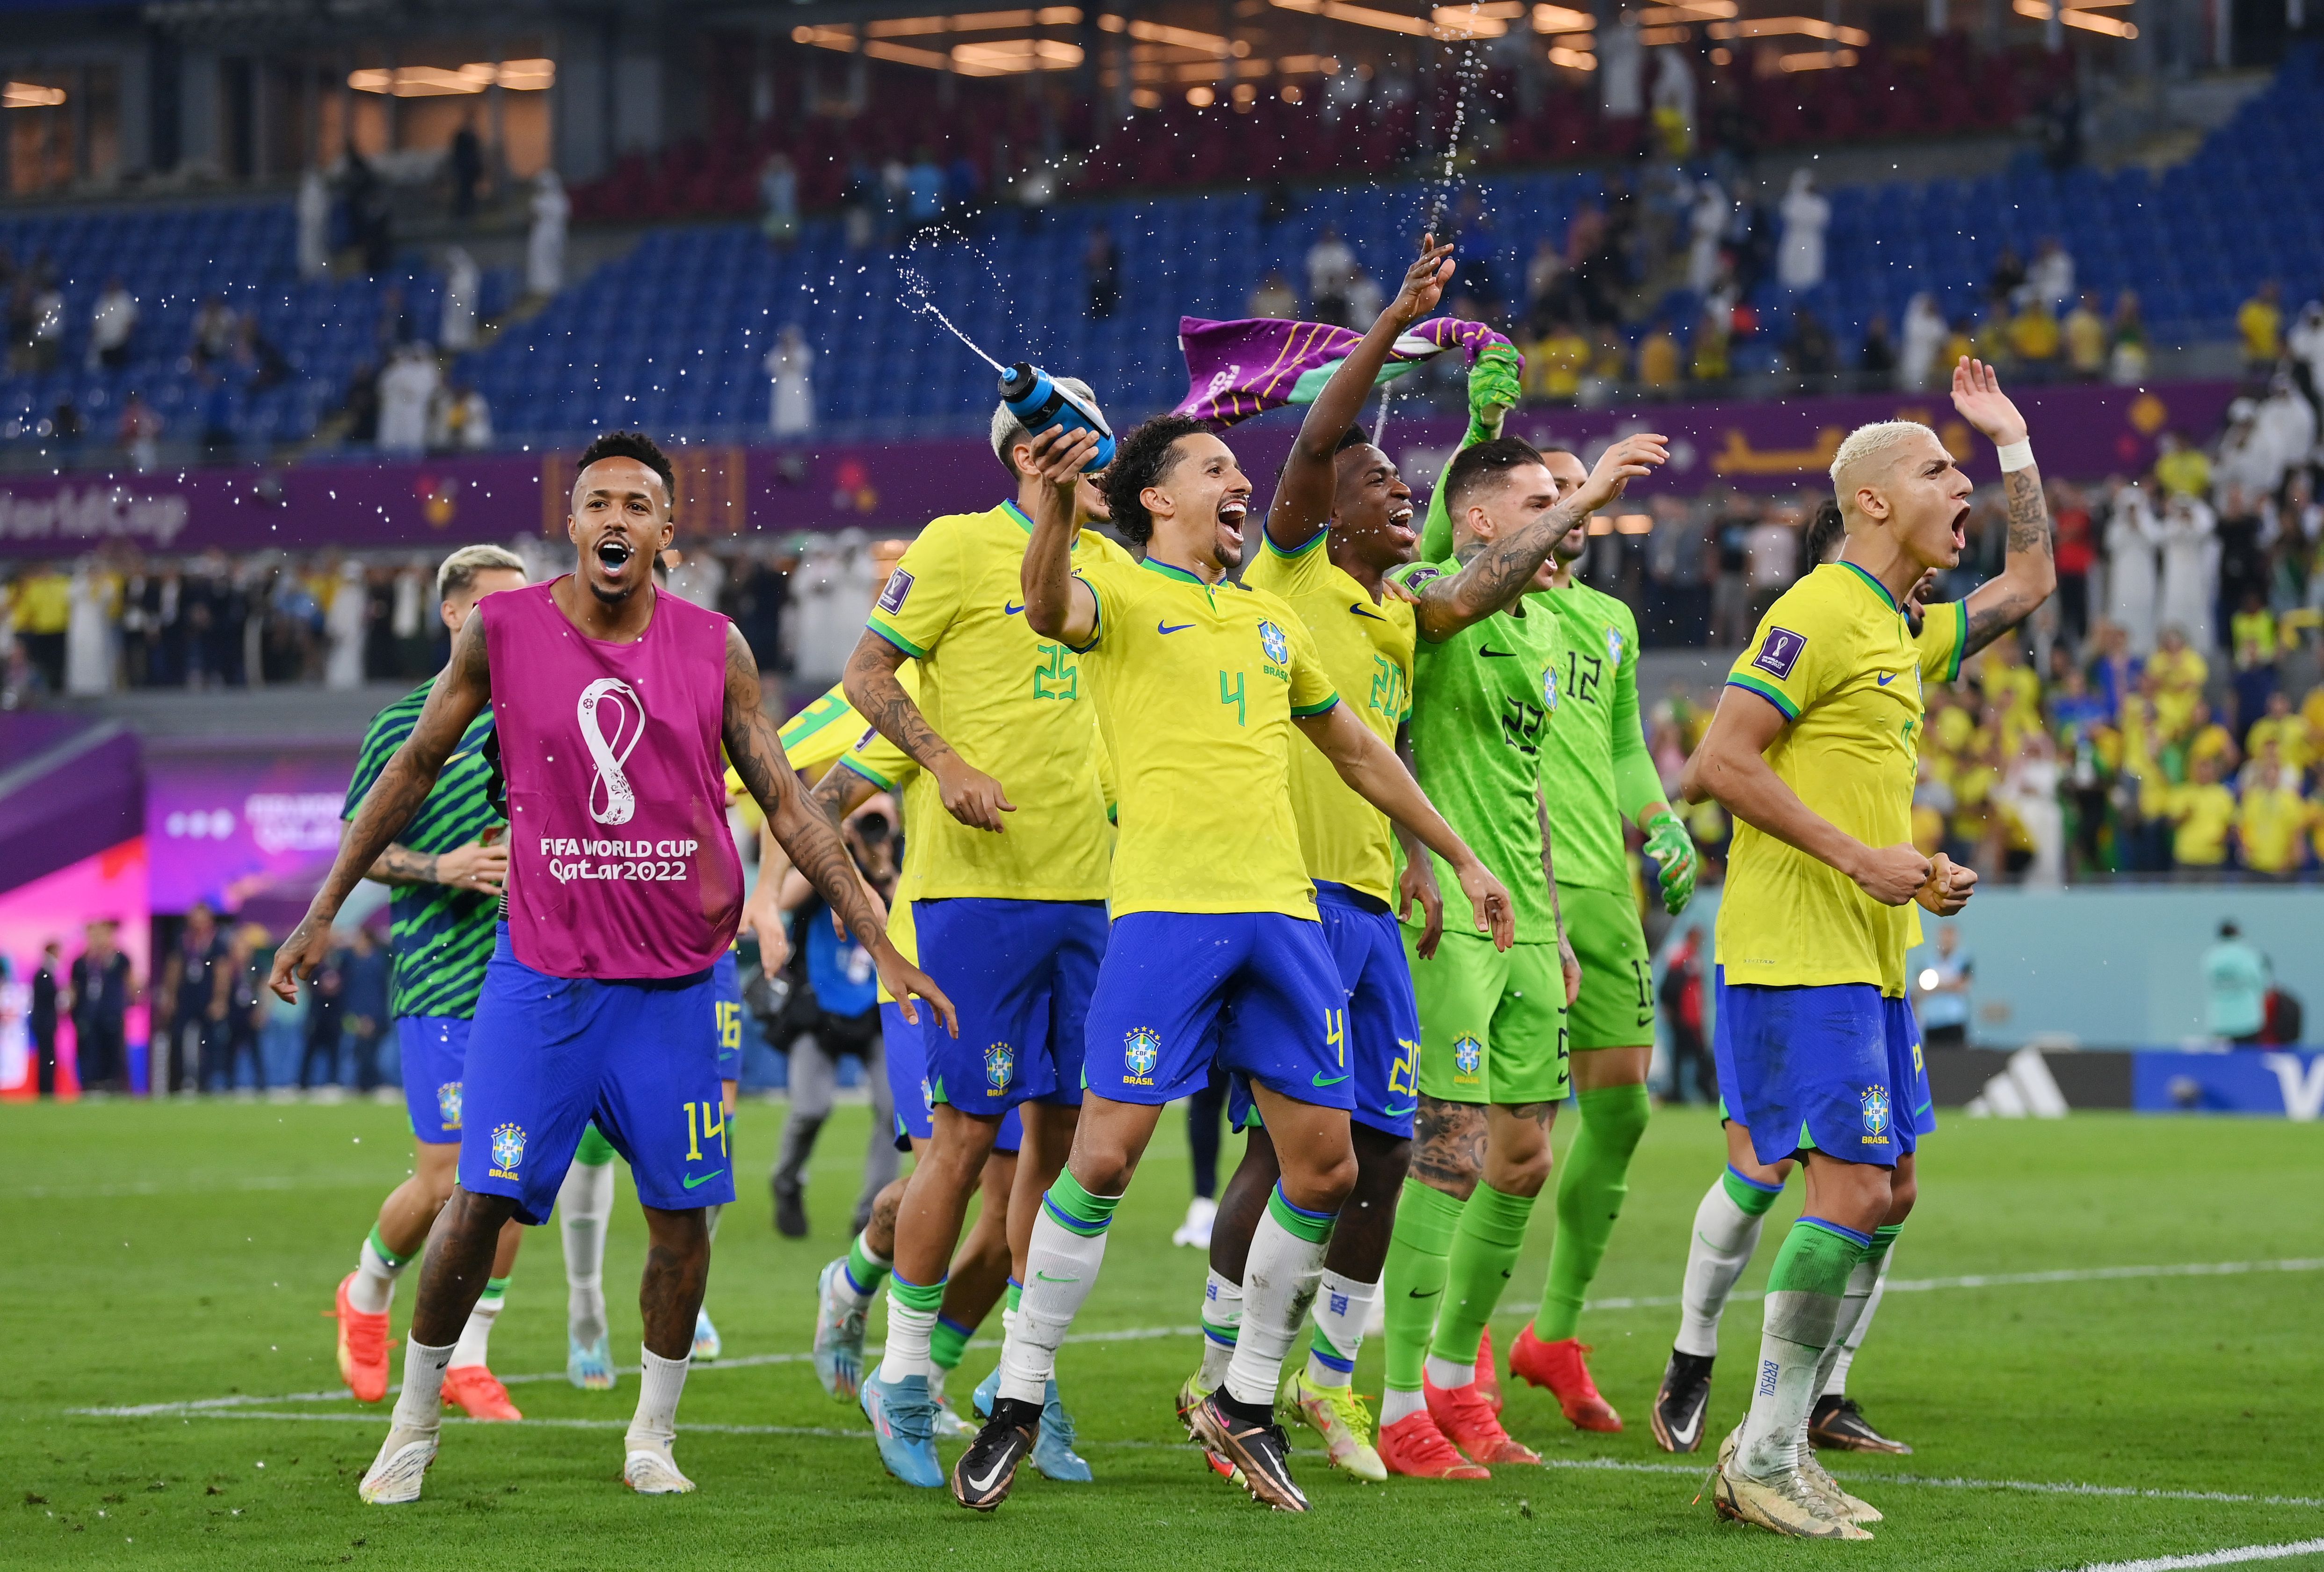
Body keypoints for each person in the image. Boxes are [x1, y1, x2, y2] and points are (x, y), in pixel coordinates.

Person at [273, 431, 952, 1505]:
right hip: (540, 984)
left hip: (672, 994)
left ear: (666, 534)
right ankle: (411, 1425)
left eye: (639, 505)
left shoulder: (714, 647)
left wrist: (880, 944)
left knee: (681, 1223)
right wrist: (322, 911)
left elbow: (788, 804)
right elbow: (412, 769)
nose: (616, 521)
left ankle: (651, 1433)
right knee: (477, 1200)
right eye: (598, 504)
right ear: (574, 526)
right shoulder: (501, 632)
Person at [951, 414, 1516, 1514]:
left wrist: (1456, 855)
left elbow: (1355, 748)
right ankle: (1017, 1395)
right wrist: (1064, 501)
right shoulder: (1112, 584)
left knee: (1329, 1168)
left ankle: (1247, 1400)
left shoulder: (1266, 617)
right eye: (1213, 468)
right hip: (1167, 914)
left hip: (1284, 916)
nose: (1237, 480)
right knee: (1105, 1160)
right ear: (1155, 499)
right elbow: (1044, 604)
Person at [1676, 359, 2055, 1537]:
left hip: (1869, 954)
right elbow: (1717, 765)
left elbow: (2031, 578)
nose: (1962, 490)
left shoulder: (1897, 629)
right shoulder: (1817, 612)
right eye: (1940, 470)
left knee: (1888, 1189)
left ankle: (1773, 1435)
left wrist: (2012, 442)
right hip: (1798, 949)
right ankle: (1766, 1451)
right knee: (1843, 1185)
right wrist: (1858, 860)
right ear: (1873, 503)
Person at [1181, 241, 1463, 1485]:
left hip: (1369, 900)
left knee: (1388, 1147)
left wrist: (1412, 854)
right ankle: (1215, 1371)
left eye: (1406, 485)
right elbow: (1310, 447)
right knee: (1282, 1149)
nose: (1400, 495)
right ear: (1324, 510)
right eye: (1379, 485)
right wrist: (1392, 321)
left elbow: (1374, 746)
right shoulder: (1289, 570)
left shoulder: (1392, 612)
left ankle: (1327, 1383)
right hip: (1288, 900)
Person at [830, 372, 1131, 1493]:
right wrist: (946, 761)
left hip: (1097, 898)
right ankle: (903, 1375)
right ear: (1031, 453)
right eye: (1082, 441)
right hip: (977, 897)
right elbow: (865, 674)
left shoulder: (1113, 570)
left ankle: (1021, 1382)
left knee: (1056, 1158)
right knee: (960, 1142)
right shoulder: (955, 545)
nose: (1102, 457)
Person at [1369, 403, 1666, 1476]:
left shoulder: (1555, 630)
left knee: (1523, 1158)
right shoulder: (1424, 600)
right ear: (1482, 515)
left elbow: (1534, 792)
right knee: (1445, 1155)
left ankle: (1457, 1387)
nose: (1567, 525)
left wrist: (1555, 926)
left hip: (1531, 928)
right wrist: (1575, 489)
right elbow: (1452, 589)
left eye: (1567, 504)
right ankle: (1395, 1402)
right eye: (1540, 506)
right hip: (1446, 923)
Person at [326, 545, 534, 1427]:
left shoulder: (542, 717)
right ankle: (368, 1289)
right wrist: (442, 866)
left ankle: (470, 1359)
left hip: (532, 975)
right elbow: (358, 850)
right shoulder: (405, 725)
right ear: (456, 615)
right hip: (442, 978)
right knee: (449, 1177)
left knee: (517, 1176)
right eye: (500, 607)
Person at [68, 921, 133, 1093]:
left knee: (112, 1048)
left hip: (111, 1011)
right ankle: (90, 1083)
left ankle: (112, 1083)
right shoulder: (81, 962)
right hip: (87, 1012)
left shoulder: (119, 959)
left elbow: (131, 983)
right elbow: (74, 988)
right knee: (88, 1048)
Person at [2203, 920, 2269, 1045]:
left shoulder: (2211, 957)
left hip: (2220, 1020)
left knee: (2223, 1061)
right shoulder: (2248, 955)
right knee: (2247, 1060)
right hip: (2248, 1020)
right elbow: (2262, 982)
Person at [1914, 922, 1971, 1046]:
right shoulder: (1927, 960)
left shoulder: (1964, 960)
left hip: (1954, 1020)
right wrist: (1949, 984)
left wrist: (1936, 985)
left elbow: (1962, 986)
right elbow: (1920, 988)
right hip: (1932, 1020)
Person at [768, 326, 814, 438]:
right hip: (783, 388)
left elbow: (802, 363)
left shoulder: (803, 351)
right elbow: (771, 366)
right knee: (783, 417)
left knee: (800, 415)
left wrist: (791, 355)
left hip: (798, 387)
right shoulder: (777, 353)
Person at [29, 940, 61, 1098]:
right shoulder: (43, 974)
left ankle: (48, 1089)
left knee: (48, 1057)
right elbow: (47, 998)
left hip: (46, 1023)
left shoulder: (47, 973)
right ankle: (46, 1090)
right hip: (44, 1024)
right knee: (47, 1058)